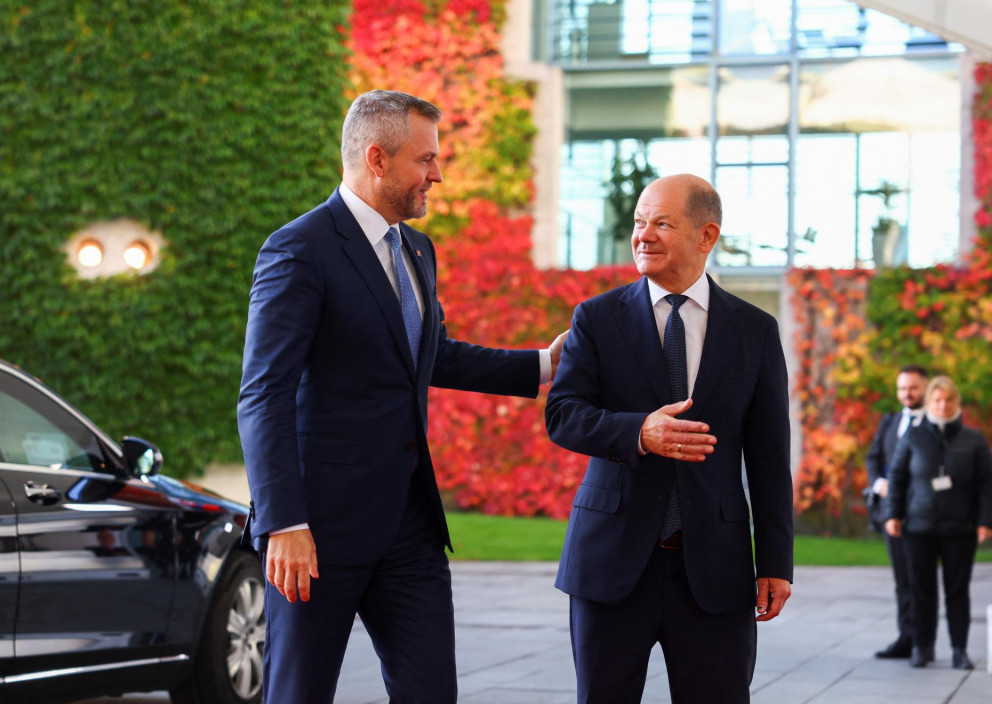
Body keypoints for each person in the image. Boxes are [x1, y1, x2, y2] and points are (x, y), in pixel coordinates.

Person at [237, 89, 566, 703]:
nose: (437, 174)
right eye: (426, 160)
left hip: (410, 526)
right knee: (299, 692)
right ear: (377, 159)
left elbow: (430, 353)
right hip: (317, 532)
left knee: (432, 692)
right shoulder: (299, 249)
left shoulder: (416, 248)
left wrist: (543, 365)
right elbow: (264, 393)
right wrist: (283, 521)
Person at [545, 174, 793, 704]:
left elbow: (770, 457)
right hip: (610, 566)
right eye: (639, 223)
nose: (643, 235)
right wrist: (638, 431)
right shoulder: (596, 318)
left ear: (707, 236)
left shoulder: (755, 330)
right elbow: (562, 415)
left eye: (661, 223)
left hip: (714, 571)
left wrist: (775, 561)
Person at [885, 376, 992, 670]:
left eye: (949, 400)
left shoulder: (974, 439)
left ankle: (959, 650)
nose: (943, 405)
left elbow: (987, 482)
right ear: (929, 402)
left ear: (957, 403)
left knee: (957, 590)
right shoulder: (913, 436)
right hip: (918, 528)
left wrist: (986, 520)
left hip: (960, 529)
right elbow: (897, 477)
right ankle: (922, 647)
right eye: (937, 400)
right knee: (921, 590)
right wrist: (892, 515)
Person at [865, 364, 928, 659]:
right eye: (903, 388)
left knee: (920, 580)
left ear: (925, 388)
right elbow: (873, 459)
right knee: (902, 580)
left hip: (922, 515)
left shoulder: (935, 424)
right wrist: (879, 484)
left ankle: (921, 643)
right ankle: (906, 637)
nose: (907, 393)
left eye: (913, 388)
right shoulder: (889, 422)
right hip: (891, 515)